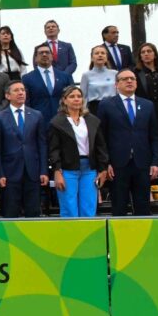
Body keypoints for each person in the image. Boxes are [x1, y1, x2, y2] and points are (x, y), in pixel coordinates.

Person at [97, 69, 158, 216]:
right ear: (116, 84)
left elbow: (154, 136)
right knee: (119, 207)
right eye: (125, 79)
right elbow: (101, 137)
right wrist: (106, 163)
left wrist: (155, 162)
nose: (129, 81)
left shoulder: (148, 105)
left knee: (143, 208)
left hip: (142, 164)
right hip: (117, 165)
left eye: (132, 78)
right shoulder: (106, 105)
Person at [49, 86, 109, 218]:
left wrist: (103, 169)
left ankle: (88, 231)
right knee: (69, 208)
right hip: (67, 169)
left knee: (88, 208)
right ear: (64, 100)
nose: (76, 99)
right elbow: (54, 149)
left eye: (79, 96)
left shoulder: (92, 120)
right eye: (72, 96)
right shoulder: (57, 122)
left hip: (89, 168)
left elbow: (101, 146)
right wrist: (57, 171)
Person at [0, 81, 48, 218]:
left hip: (32, 171)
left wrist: (44, 171)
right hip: (9, 172)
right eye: (16, 90)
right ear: (7, 95)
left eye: (22, 90)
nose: (21, 93)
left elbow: (42, 145)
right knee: (10, 212)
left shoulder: (37, 115)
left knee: (33, 212)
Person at [23, 44, 73, 118]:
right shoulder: (27, 78)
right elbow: (26, 102)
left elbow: (72, 97)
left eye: (47, 52)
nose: (44, 55)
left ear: (52, 57)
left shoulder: (65, 76)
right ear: (35, 58)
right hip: (38, 120)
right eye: (41, 53)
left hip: (62, 119)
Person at [80, 45, 118, 115]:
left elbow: (119, 93)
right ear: (92, 58)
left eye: (103, 53)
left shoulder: (115, 73)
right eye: (97, 53)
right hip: (94, 108)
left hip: (113, 107)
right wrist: (83, 110)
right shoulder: (86, 75)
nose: (100, 55)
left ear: (106, 57)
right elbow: (83, 96)